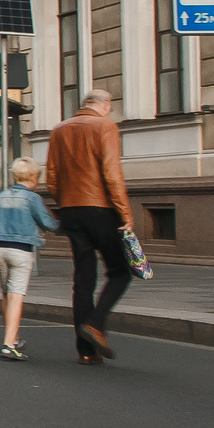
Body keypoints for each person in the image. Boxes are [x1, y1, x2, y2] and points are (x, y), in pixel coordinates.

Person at [42, 88, 133, 364]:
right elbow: (111, 173)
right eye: (110, 107)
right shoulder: (105, 126)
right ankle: (95, 324)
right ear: (105, 105)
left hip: (70, 210)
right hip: (101, 208)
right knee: (120, 272)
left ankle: (86, 351)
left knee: (83, 279)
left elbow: (52, 176)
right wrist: (125, 213)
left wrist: (66, 203)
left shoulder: (59, 129)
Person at [0, 157, 59, 361]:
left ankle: (14, 338)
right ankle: (9, 346)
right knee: (16, 296)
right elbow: (48, 224)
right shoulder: (32, 198)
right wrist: (69, 224)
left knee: (6, 294)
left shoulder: (1, 196)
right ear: (35, 177)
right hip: (20, 252)